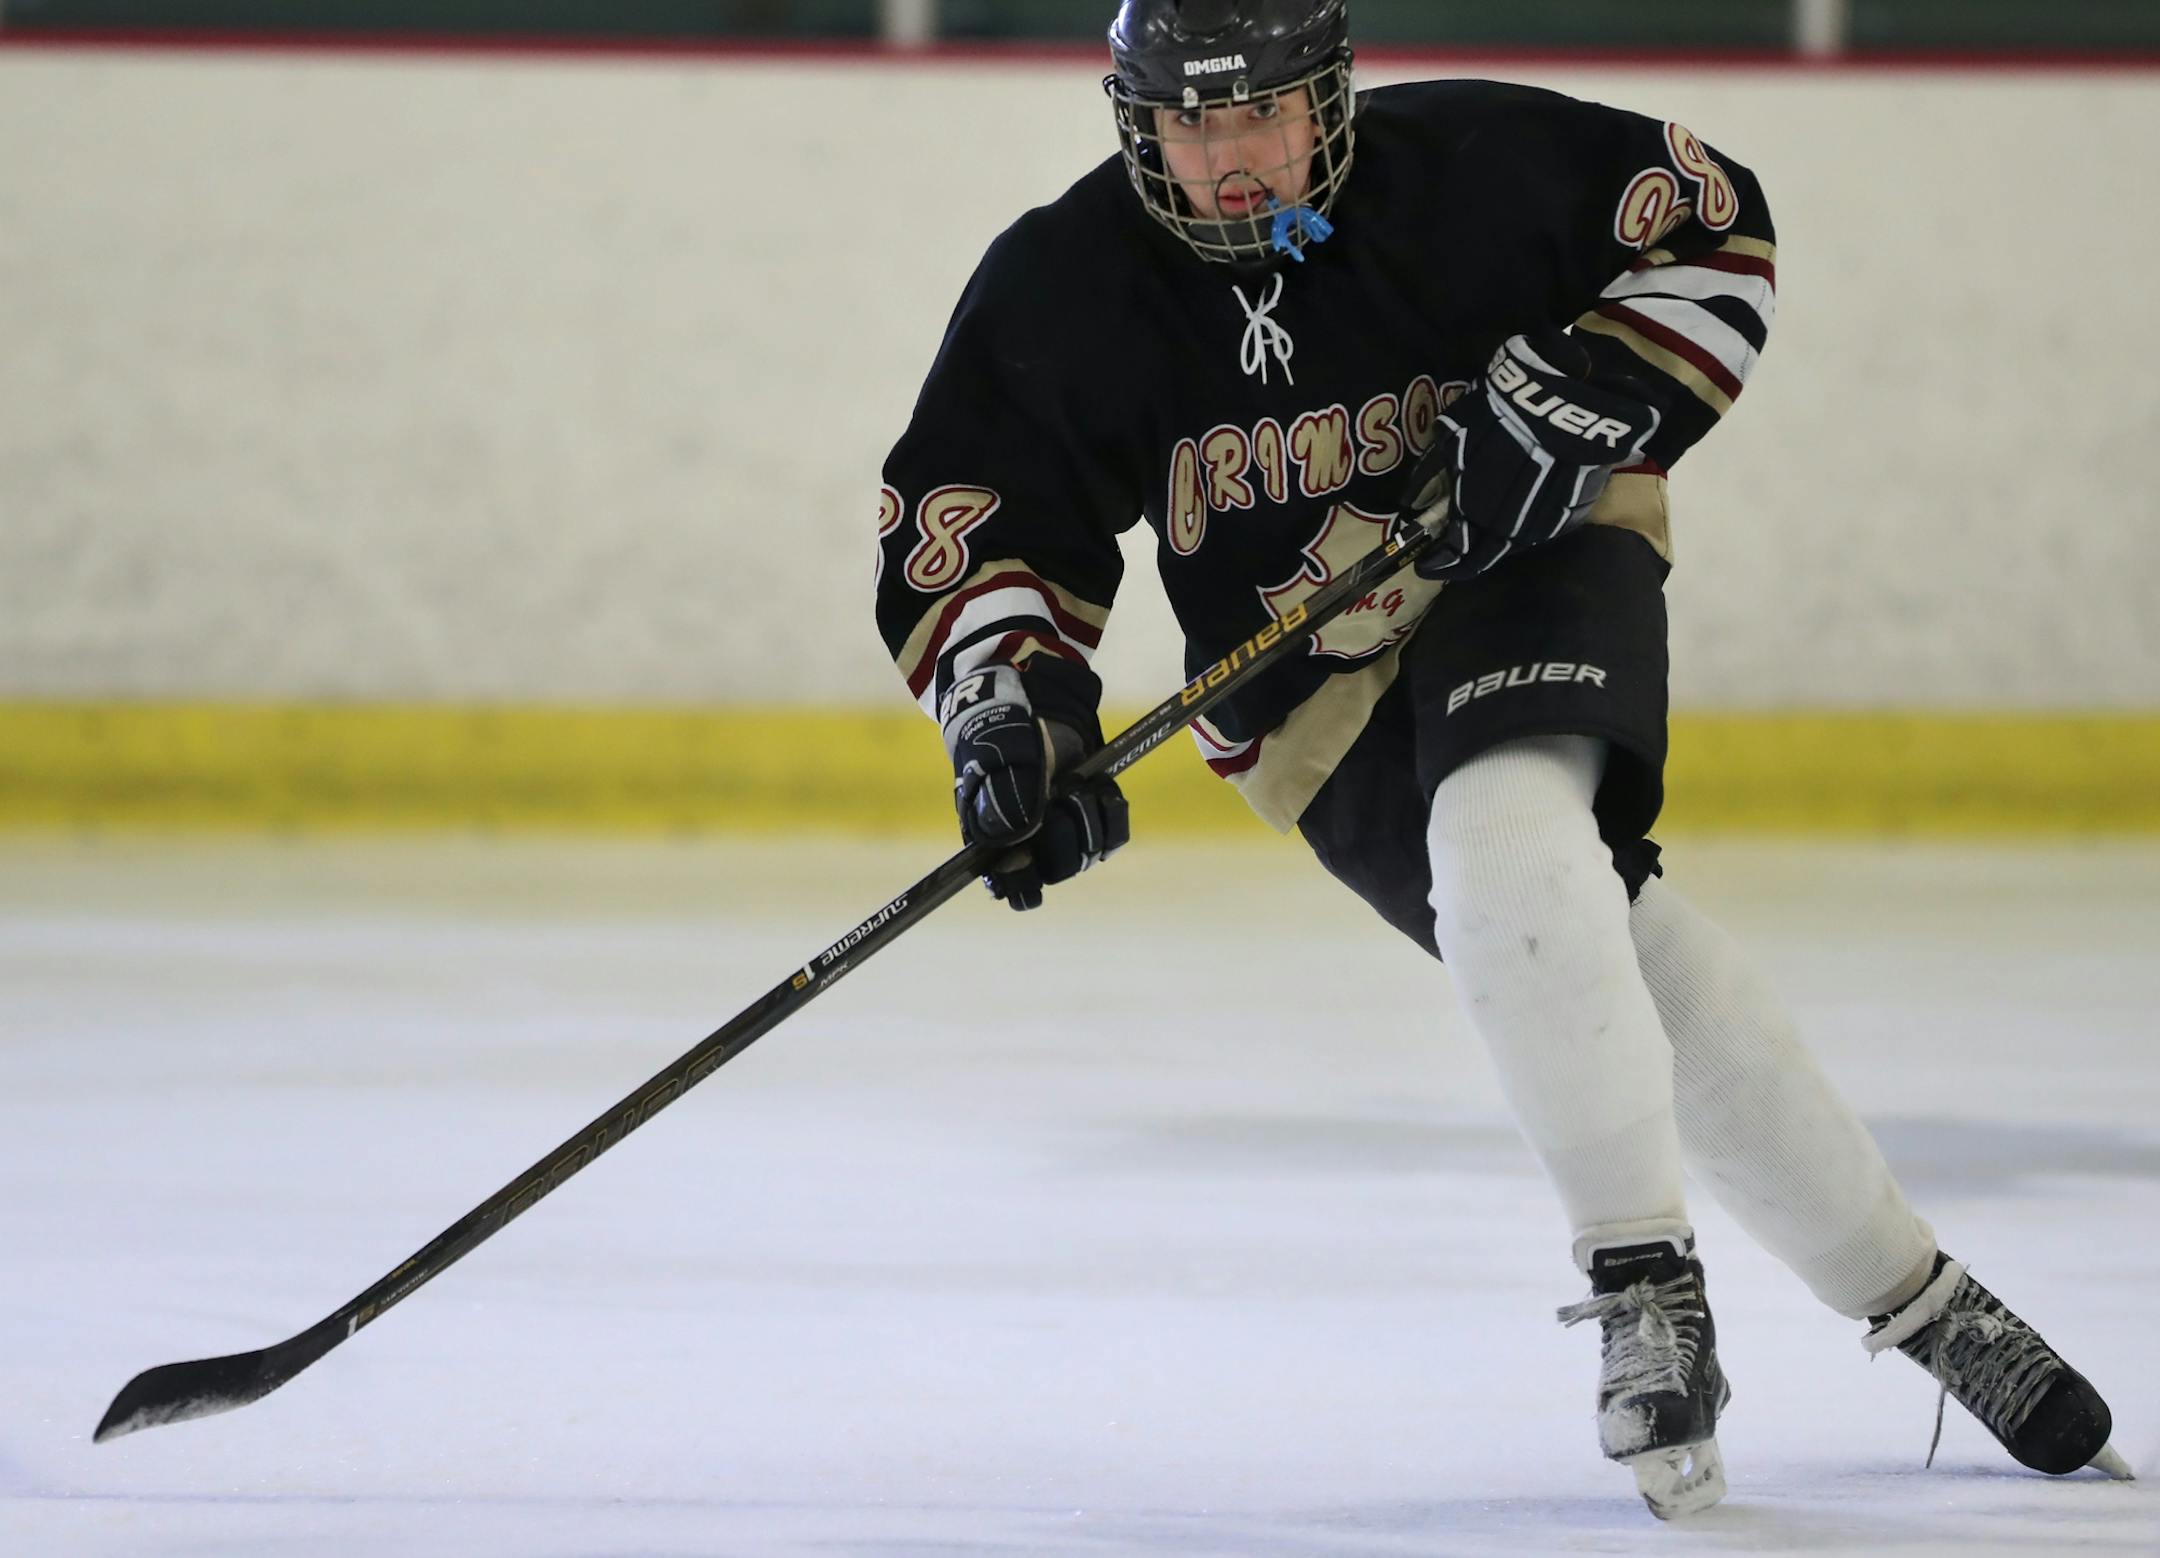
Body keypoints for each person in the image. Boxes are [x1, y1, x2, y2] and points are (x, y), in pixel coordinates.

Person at [871, 0, 2129, 1518]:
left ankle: (1640, 1290)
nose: (1234, 164)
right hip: (1303, 694)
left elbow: (1712, 229)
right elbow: (980, 521)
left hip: (1532, 553)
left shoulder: (1473, 161)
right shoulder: (1070, 280)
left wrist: (1593, 392)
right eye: (1194, 126)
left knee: (1509, 834)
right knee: (1600, 942)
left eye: (1262, 114)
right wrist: (1010, 713)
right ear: (1136, 126)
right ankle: (1927, 1300)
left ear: (1331, 96)